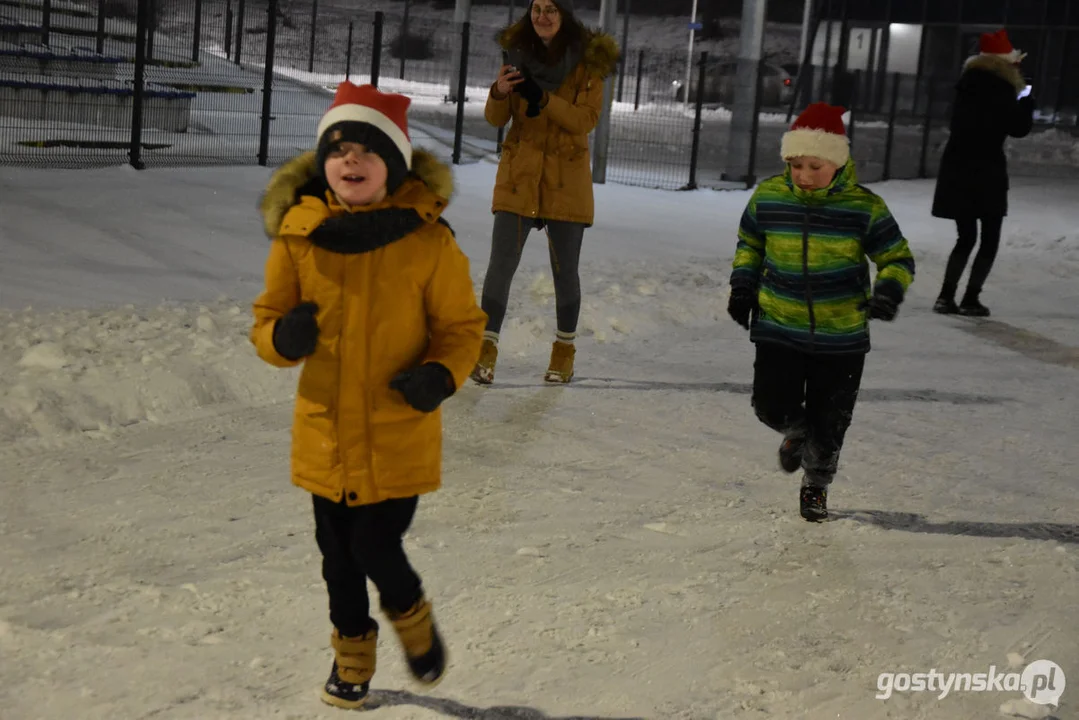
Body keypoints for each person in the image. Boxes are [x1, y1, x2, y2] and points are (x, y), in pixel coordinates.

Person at [251, 82, 486, 709]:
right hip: (324, 432)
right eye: (339, 150)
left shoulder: (429, 242)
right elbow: (265, 323)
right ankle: (352, 658)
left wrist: (440, 375)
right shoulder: (299, 237)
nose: (350, 161)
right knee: (337, 559)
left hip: (396, 430)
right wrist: (283, 336)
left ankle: (412, 619)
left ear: (395, 165)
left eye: (367, 151)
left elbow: (462, 329)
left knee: (373, 544)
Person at [727, 103, 916, 522]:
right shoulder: (769, 197)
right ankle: (796, 432)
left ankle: (815, 485)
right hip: (779, 324)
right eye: (796, 165)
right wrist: (742, 286)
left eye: (815, 165)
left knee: (831, 421)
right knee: (770, 405)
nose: (804, 175)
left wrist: (888, 290)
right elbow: (750, 244)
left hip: (841, 335)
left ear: (837, 163)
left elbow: (898, 258)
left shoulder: (863, 207)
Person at [471, 0, 619, 385]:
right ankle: (484, 351)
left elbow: (585, 120)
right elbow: (495, 119)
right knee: (500, 265)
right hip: (519, 174)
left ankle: (564, 351)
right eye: (537, 8)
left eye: (551, 8)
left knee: (564, 271)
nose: (543, 16)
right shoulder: (518, 54)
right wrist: (500, 91)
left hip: (564, 179)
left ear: (565, 15)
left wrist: (543, 99)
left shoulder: (589, 62)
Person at [931, 29, 1035, 317]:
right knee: (989, 237)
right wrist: (1026, 100)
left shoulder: (966, 85)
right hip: (987, 170)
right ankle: (970, 299)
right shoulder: (1001, 88)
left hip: (958, 168)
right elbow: (1018, 128)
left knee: (965, 237)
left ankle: (945, 296)